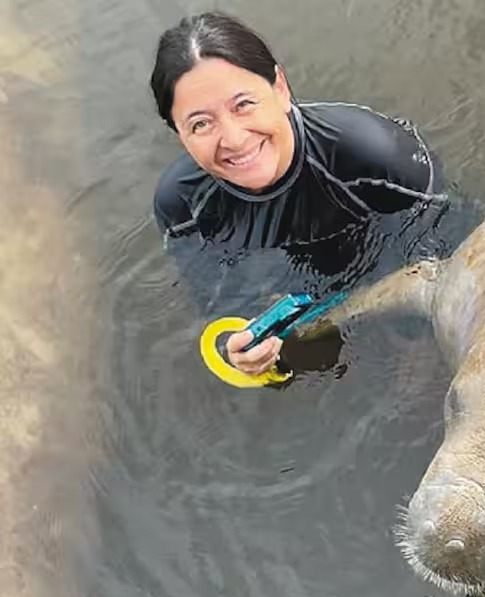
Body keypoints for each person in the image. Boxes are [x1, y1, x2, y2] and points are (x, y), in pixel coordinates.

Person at [149, 11, 453, 377]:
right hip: (289, 278)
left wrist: (416, 337)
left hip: (380, 237)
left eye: (243, 104)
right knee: (311, 366)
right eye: (201, 123)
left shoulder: (377, 156)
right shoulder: (182, 204)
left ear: (279, 88)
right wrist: (239, 345)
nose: (234, 139)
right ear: (178, 134)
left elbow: (449, 246)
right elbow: (214, 296)